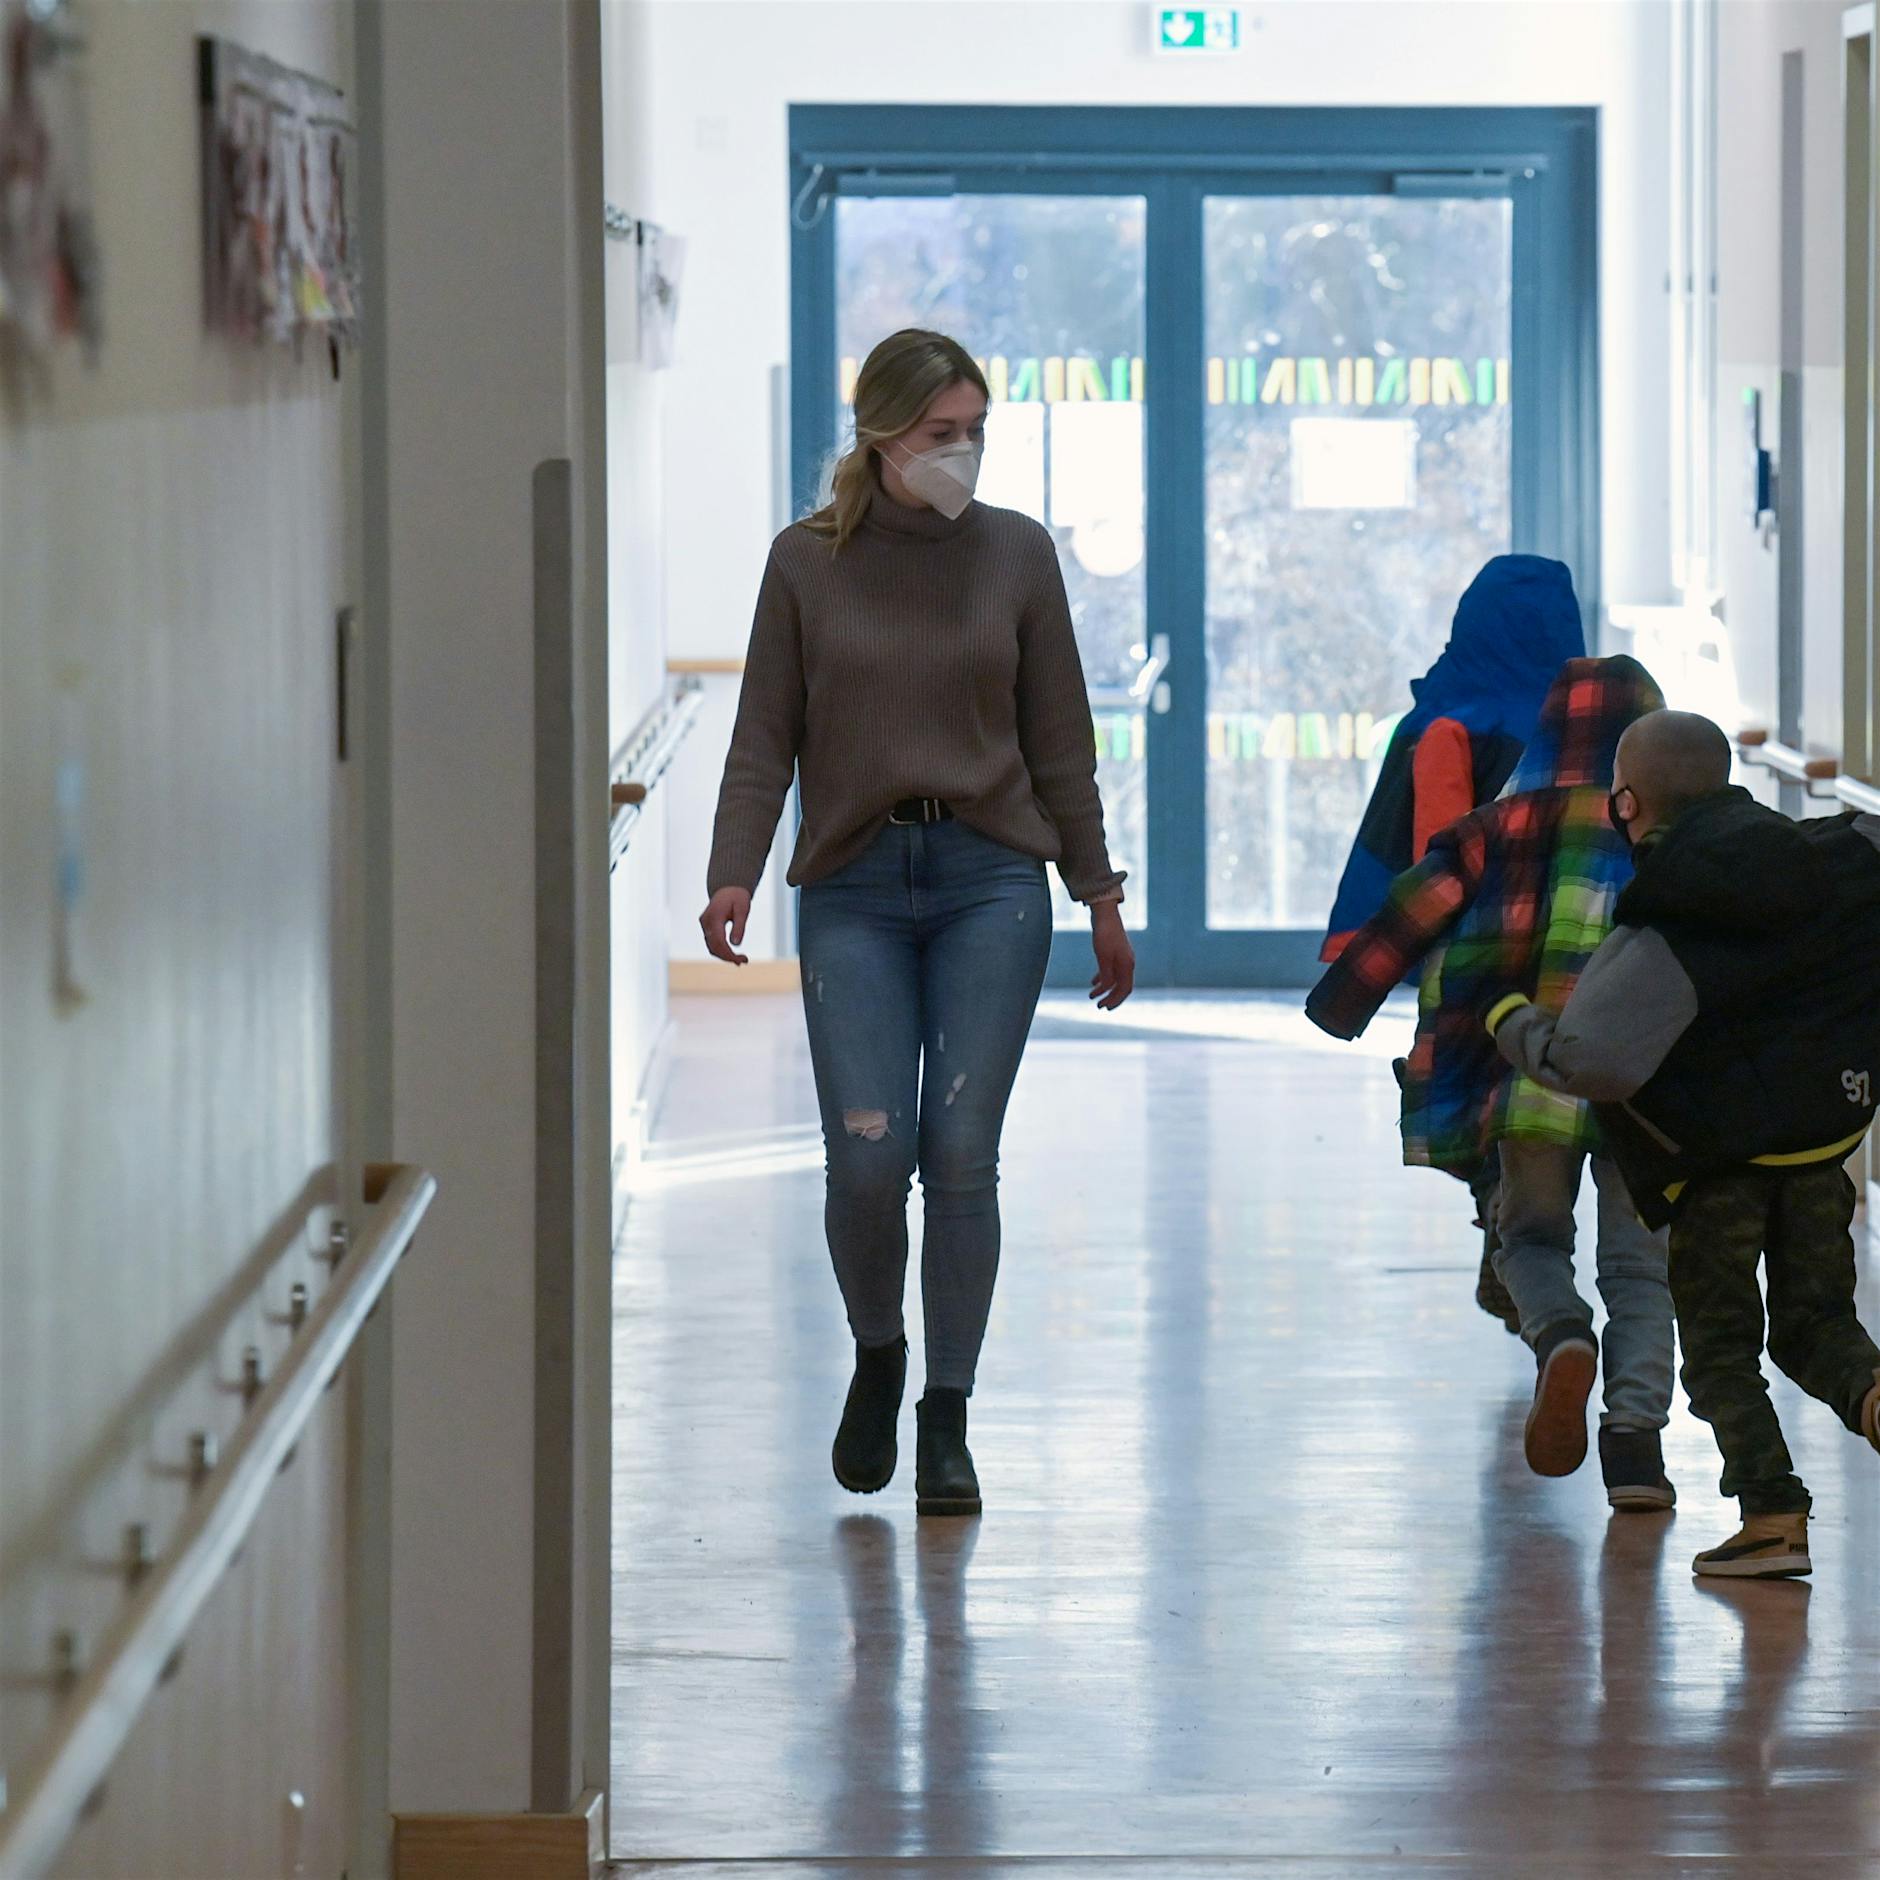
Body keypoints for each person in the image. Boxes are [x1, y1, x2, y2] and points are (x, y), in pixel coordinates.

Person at [701, 328, 1135, 1518]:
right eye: (940, 434)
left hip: (989, 878)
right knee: (866, 1152)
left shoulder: (1015, 555)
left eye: (974, 432)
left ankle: (945, 1410)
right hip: (852, 882)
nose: (962, 454)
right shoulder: (805, 563)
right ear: (882, 435)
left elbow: (1060, 742)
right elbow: (761, 735)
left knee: (956, 1154)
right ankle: (877, 1349)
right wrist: (733, 869)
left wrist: (1097, 894)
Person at [1489, 710, 1880, 1579]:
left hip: (1719, 1170)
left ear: (1627, 802)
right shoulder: (1836, 859)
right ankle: (1874, 1395)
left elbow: (1597, 1064)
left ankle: (1772, 1515)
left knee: (1719, 1349)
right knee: (1817, 1325)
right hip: (1824, 1146)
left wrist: (1511, 1021)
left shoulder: (1669, 910)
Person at [1306, 656, 1678, 1510]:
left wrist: (1343, 1000)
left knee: (1532, 1240)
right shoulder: (1670, 839)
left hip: (1530, 1075)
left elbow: (1416, 905)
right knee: (1641, 1271)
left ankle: (1559, 1340)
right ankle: (1635, 1451)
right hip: (1650, 1088)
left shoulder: (1494, 826)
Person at [1321, 556, 1587, 1335]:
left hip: (1476, 961)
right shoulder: (1589, 718)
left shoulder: (1447, 721)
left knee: (1476, 1093)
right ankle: (1529, 1246)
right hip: (1575, 950)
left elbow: (1433, 851)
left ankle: (1505, 1235)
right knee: (1552, 1095)